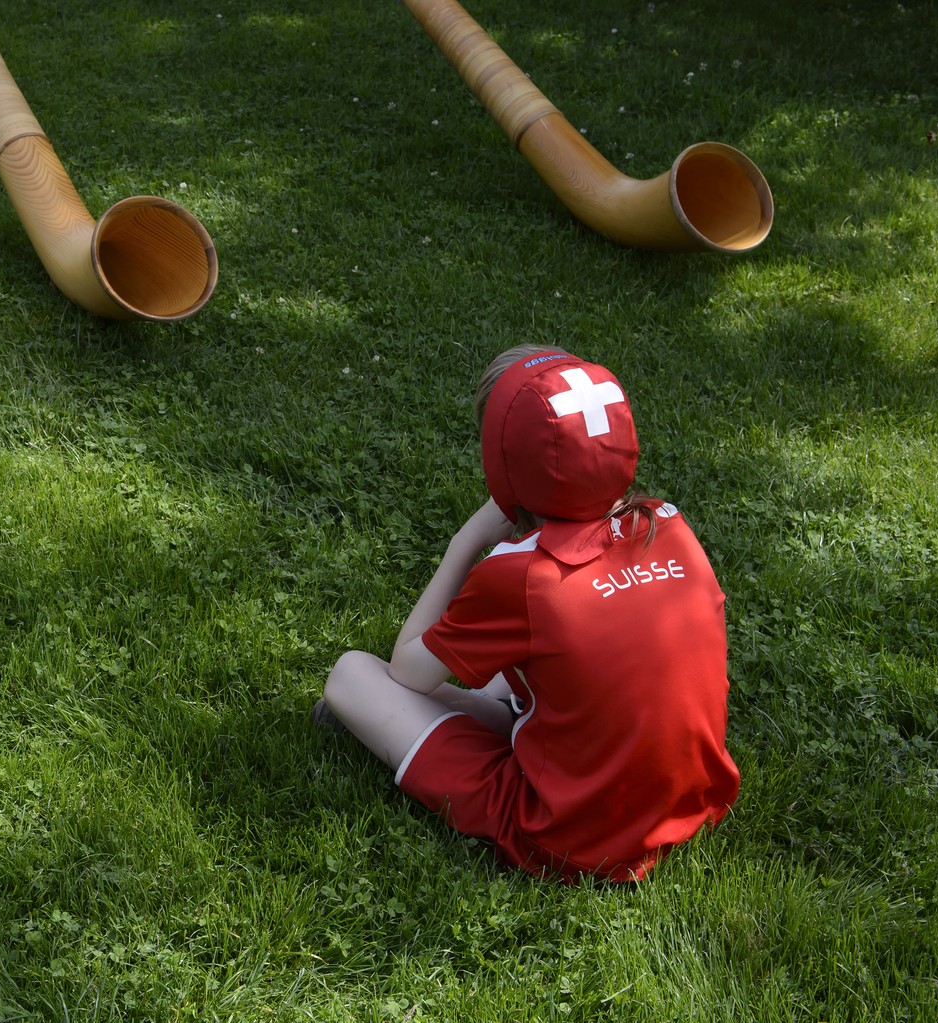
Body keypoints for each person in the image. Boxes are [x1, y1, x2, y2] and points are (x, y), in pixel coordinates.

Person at [317, 344, 740, 882]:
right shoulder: (671, 525)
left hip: (571, 838)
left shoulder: (521, 573)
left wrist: (464, 542)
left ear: (506, 464)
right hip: (689, 798)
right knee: (523, 665)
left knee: (355, 674)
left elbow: (406, 670)